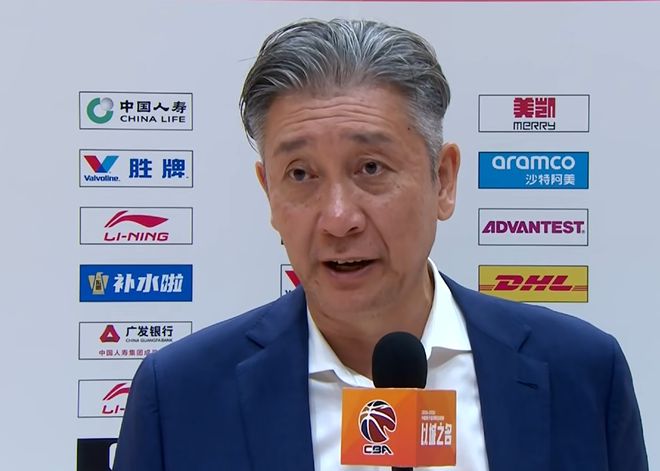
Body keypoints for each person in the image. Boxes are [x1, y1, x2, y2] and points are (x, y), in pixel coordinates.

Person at [113, 19, 648, 471]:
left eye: (370, 168)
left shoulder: (581, 372)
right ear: (269, 193)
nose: (338, 219)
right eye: (300, 174)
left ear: (443, 180)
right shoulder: (179, 397)